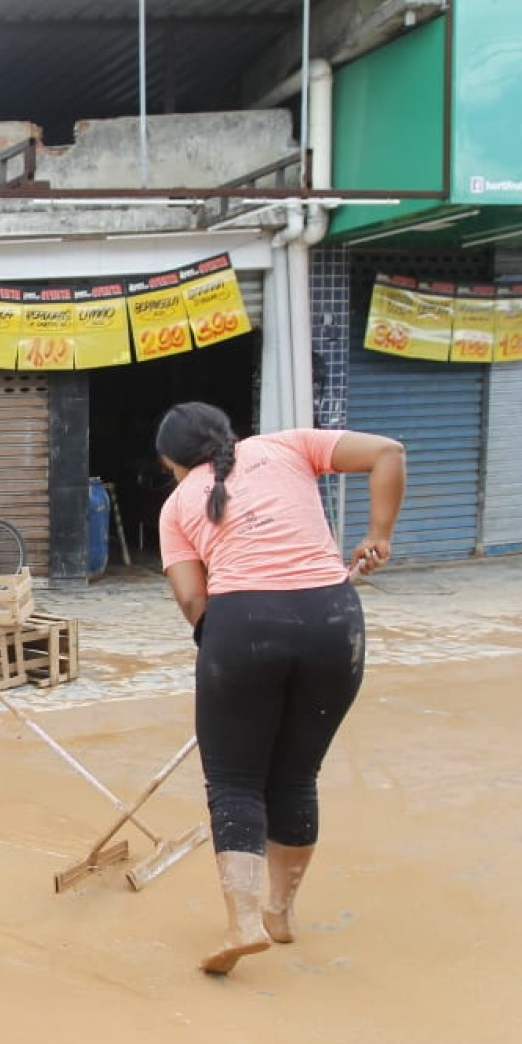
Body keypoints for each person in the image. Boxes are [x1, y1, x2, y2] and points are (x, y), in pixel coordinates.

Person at [154, 402, 405, 975]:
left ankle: (242, 922)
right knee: (295, 776)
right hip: (333, 619)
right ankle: (280, 912)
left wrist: (225, 653)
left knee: (236, 780)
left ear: (170, 460)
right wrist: (378, 536)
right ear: (229, 433)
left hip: (243, 625)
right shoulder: (289, 446)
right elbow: (388, 452)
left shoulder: (176, 506)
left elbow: (194, 602)